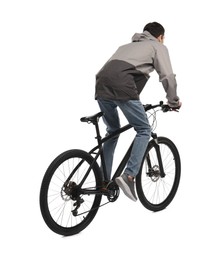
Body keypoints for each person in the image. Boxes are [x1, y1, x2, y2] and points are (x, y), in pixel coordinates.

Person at [95, 22, 181, 202]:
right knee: (144, 130)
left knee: (112, 132)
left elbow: (122, 74)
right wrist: (173, 101)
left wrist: (135, 104)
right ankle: (129, 176)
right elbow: (167, 76)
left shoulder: (127, 46)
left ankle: (103, 181)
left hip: (101, 85)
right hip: (122, 87)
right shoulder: (157, 46)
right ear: (161, 37)